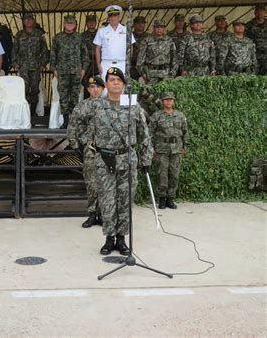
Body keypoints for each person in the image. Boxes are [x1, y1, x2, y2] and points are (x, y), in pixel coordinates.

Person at [77, 67, 153, 256]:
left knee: (125, 201)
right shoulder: (97, 106)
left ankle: (121, 238)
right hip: (104, 160)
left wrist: (146, 158)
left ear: (124, 84)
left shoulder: (133, 107)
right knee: (107, 201)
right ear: (106, 84)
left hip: (127, 159)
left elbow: (144, 134)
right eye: (111, 80)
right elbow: (81, 125)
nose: (115, 83)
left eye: (118, 80)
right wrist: (88, 145)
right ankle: (109, 238)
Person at [67, 76, 105, 228]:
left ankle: (102, 214)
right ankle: (92, 214)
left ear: (102, 88)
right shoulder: (81, 106)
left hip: (106, 150)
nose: (95, 90)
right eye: (92, 87)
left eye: (98, 87)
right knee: (90, 182)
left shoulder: (109, 104)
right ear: (88, 89)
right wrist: (74, 144)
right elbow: (72, 126)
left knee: (104, 183)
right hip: (89, 148)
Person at [149, 92, 188, 210]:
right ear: (162, 101)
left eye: (170, 99)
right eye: (166, 99)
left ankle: (170, 199)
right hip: (162, 148)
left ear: (174, 101)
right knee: (162, 174)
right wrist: (151, 148)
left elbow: (185, 131)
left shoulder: (180, 116)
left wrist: (185, 146)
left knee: (174, 174)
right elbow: (150, 133)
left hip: (176, 149)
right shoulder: (156, 116)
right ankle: (161, 199)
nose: (168, 102)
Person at [50, 14, 89, 127]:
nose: (70, 25)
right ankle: (66, 121)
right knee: (63, 95)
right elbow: (53, 54)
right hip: (62, 71)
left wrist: (83, 69)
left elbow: (85, 55)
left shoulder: (79, 37)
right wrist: (54, 69)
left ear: (75, 24)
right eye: (68, 23)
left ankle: (73, 120)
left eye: (72, 23)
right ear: (64, 24)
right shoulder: (58, 37)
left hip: (76, 71)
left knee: (75, 96)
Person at [12, 13, 49, 116]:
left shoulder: (39, 34)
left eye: (30, 19)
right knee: (23, 89)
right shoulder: (19, 35)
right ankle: (24, 113)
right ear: (23, 22)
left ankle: (32, 113)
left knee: (35, 89)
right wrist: (15, 63)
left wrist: (43, 63)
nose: (28, 21)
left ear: (33, 21)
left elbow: (45, 51)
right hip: (23, 66)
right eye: (26, 19)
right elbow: (14, 51)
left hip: (36, 66)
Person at [93, 5, 135, 78]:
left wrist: (128, 63)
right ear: (108, 17)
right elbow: (97, 49)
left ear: (119, 17)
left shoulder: (127, 30)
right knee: (106, 88)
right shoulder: (102, 31)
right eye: (110, 16)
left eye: (115, 15)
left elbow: (131, 47)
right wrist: (98, 65)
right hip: (106, 64)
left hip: (122, 63)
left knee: (121, 87)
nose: (113, 18)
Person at [136, 19, 177, 83]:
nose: (159, 29)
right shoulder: (147, 41)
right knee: (150, 92)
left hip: (166, 73)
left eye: (161, 27)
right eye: (157, 27)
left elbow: (174, 58)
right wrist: (142, 73)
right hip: (151, 74)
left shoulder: (169, 40)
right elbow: (140, 59)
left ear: (164, 28)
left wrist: (173, 73)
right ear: (153, 28)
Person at [81, 14, 99, 99]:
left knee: (98, 86)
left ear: (96, 23)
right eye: (89, 22)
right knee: (87, 86)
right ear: (86, 23)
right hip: (87, 65)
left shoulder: (100, 34)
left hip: (98, 64)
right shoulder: (82, 36)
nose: (91, 24)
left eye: (93, 22)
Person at [246, 3, 266, 75]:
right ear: (255, 13)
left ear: (265, 12)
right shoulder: (249, 25)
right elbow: (246, 40)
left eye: (261, 10)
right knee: (255, 75)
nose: (259, 12)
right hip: (255, 55)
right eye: (257, 11)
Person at [130, 15, 149, 79]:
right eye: (138, 23)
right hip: (133, 67)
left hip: (146, 67)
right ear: (134, 24)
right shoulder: (129, 36)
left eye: (142, 23)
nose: (140, 25)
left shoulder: (149, 37)